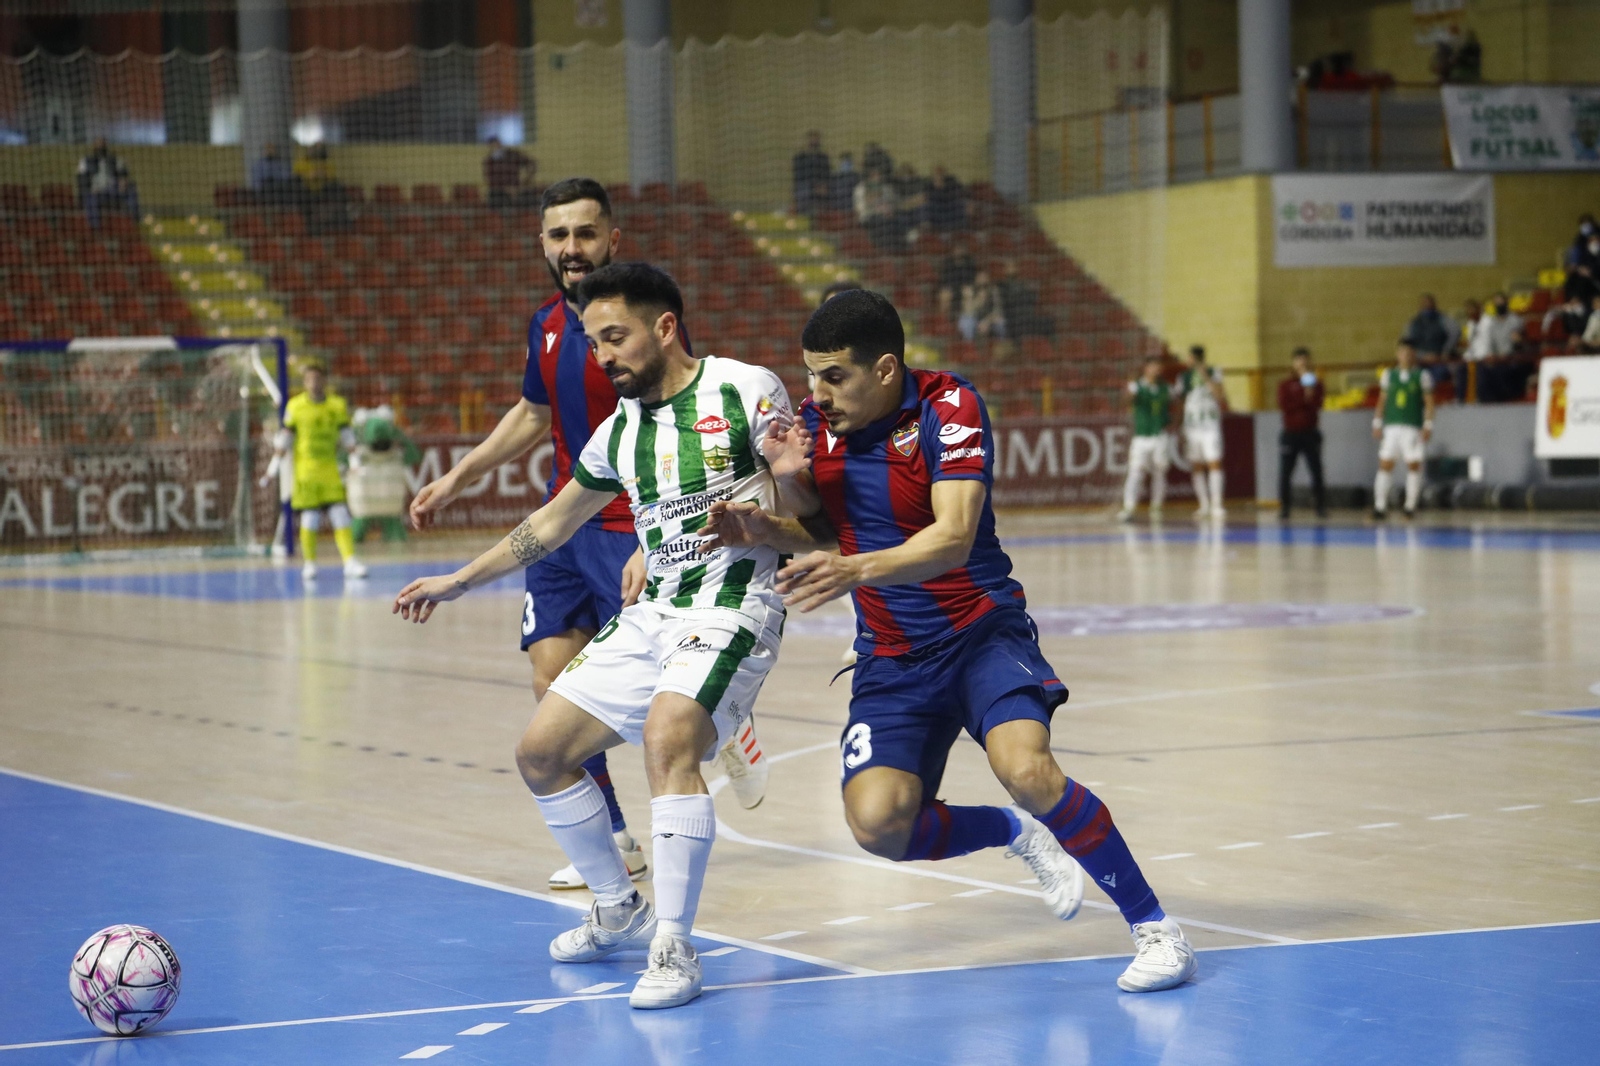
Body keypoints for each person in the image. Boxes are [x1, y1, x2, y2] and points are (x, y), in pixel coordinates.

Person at [698, 289, 1197, 994]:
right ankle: (1014, 832)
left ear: (886, 369)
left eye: (834, 375)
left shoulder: (948, 406)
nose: (817, 392)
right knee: (881, 828)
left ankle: (1157, 932)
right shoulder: (814, 425)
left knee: (1027, 769)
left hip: (978, 633)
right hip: (892, 656)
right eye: (810, 374)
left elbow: (953, 538)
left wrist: (854, 568)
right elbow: (825, 532)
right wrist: (767, 519)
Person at [396, 262, 795, 1010]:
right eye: (593, 343)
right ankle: (619, 905)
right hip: (654, 616)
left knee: (667, 738)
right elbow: (551, 523)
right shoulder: (620, 432)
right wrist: (457, 580)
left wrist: (776, 523)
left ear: (665, 328)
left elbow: (809, 499)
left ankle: (673, 946)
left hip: (732, 607)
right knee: (540, 753)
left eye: (615, 337)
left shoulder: (747, 389)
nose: (602, 356)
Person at [408, 179, 769, 893]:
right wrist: (460, 476)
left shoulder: (638, 325)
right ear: (541, 243)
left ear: (612, 239)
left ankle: (727, 718)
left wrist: (652, 534)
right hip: (562, 520)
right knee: (550, 682)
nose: (571, 248)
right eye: (557, 235)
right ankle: (614, 839)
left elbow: (687, 439)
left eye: (584, 234)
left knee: (664, 676)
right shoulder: (546, 321)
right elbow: (532, 412)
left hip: (625, 523)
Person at [270, 358, 367, 581]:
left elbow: (347, 436)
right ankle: (310, 564)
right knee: (310, 518)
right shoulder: (295, 406)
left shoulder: (337, 406)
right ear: (304, 382)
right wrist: (273, 466)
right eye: (309, 378)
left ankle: (350, 561)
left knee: (341, 515)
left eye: (317, 378)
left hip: (329, 469)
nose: (313, 382)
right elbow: (285, 438)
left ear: (324, 381)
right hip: (305, 472)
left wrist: (354, 462)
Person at [1372, 341, 1435, 521]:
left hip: (1412, 428)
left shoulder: (1422, 375)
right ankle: (1380, 506)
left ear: (1413, 355)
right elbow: (1382, 400)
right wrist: (1377, 422)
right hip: (1391, 428)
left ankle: (1410, 507)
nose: (1405, 356)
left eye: (1409, 353)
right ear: (1397, 354)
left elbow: (1430, 403)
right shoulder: (1388, 375)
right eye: (1402, 353)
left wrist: (1428, 426)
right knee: (1385, 465)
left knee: (1413, 466)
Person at [1118, 356, 1172, 522]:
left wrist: (1172, 425)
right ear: (1146, 368)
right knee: (1135, 471)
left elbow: (1173, 406)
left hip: (1160, 435)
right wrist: (1130, 391)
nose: (1156, 369)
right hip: (1141, 436)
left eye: (1158, 366)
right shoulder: (1137, 386)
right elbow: (1125, 403)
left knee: (1160, 471)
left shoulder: (1165, 388)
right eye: (1153, 366)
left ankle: (1156, 506)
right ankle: (1129, 507)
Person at [1174, 345, 1226, 518]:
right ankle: (1203, 504)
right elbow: (1181, 403)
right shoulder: (1183, 377)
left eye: (1189, 357)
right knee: (1197, 465)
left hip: (1210, 425)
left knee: (1214, 462)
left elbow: (1219, 395)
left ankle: (1216, 504)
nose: (1187, 361)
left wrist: (1204, 375)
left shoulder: (1214, 371)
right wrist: (1180, 426)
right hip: (1192, 426)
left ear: (1194, 358)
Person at [1276, 347, 1327, 520]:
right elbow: (1285, 405)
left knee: (1316, 470)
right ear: (1294, 362)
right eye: (1299, 360)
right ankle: (1285, 507)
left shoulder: (1316, 384)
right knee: (1286, 472)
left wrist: (1309, 393)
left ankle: (1320, 506)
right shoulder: (1286, 385)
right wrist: (1302, 399)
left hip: (1310, 433)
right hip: (1291, 433)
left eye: (1305, 359)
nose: (1302, 363)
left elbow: (1317, 404)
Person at [1464, 292, 1522, 402]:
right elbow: (1490, 342)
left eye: (1501, 302)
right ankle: (1483, 401)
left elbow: (1516, 341)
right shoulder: (1493, 322)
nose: (1498, 305)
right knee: (1483, 369)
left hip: (1510, 356)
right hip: (1496, 356)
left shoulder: (1514, 320)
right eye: (1496, 303)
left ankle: (1504, 399)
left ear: (1506, 303)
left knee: (1499, 370)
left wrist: (1506, 353)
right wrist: (1491, 354)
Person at [75, 138, 139, 228]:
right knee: (91, 198)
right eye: (98, 143)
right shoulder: (86, 161)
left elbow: (123, 174)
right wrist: (90, 187)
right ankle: (95, 228)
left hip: (112, 191)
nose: (100, 145)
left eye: (102, 143)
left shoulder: (114, 160)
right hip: (95, 192)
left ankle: (135, 222)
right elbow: (81, 179)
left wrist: (123, 182)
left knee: (131, 192)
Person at [996, 258, 1050, 338]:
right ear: (1004, 270)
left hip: (1026, 315)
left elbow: (1032, 300)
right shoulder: (1000, 285)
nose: (1011, 269)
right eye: (1009, 267)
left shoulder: (1022, 284)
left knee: (1047, 322)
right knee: (1021, 324)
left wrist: (1032, 292)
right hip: (1012, 316)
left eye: (1013, 267)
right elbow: (1005, 302)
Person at [1402, 294, 1458, 366]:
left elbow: (1455, 333)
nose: (1427, 306)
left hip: (1440, 359)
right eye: (1425, 304)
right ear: (1420, 306)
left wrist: (1445, 352)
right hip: (1418, 360)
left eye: (1430, 304)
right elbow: (1406, 341)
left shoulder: (1443, 319)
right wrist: (1421, 355)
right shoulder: (1413, 323)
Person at [853, 169, 901, 250]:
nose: (878, 178)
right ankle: (882, 247)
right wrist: (875, 196)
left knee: (896, 220)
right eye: (875, 176)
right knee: (880, 222)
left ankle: (895, 246)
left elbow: (893, 201)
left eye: (879, 176)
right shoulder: (861, 187)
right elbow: (862, 206)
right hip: (868, 215)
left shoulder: (885, 187)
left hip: (886, 214)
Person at [484, 135, 536, 209]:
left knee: (530, 198)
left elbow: (531, 164)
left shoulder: (513, 155)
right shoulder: (489, 161)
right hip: (500, 192)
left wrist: (525, 181)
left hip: (518, 190)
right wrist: (506, 189)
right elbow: (490, 180)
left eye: (496, 144)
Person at [957, 270, 1005, 343]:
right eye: (980, 277)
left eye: (984, 277)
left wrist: (987, 321)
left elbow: (997, 310)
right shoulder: (969, 291)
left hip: (989, 319)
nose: (982, 280)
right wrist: (979, 301)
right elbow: (968, 312)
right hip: (973, 318)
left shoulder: (993, 291)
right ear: (976, 279)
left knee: (1001, 323)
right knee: (966, 323)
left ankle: (1002, 346)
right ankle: (968, 347)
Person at [937, 237, 979, 318]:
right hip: (951, 287)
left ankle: (966, 318)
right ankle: (943, 319)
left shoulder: (969, 262)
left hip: (964, 287)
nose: (958, 251)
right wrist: (949, 287)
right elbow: (944, 278)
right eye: (957, 249)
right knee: (944, 295)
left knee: (968, 293)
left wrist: (967, 285)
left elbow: (972, 277)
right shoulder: (948, 262)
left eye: (961, 249)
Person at [792, 131, 831, 217]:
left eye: (816, 139)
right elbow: (798, 176)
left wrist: (823, 185)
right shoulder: (800, 158)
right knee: (804, 192)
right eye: (812, 139)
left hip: (821, 187)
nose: (814, 142)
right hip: (805, 187)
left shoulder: (823, 158)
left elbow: (827, 175)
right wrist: (813, 187)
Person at [926, 166, 966, 231]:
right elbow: (929, 196)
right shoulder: (929, 184)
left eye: (940, 173)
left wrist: (942, 187)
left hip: (951, 204)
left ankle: (960, 229)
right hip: (936, 206)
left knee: (962, 204)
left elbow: (957, 193)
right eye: (936, 173)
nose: (938, 175)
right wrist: (937, 189)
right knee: (927, 207)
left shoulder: (951, 181)